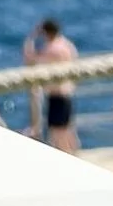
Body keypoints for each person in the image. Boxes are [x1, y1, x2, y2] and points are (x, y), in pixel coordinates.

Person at [31, 17, 80, 152]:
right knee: (68, 130)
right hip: (68, 92)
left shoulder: (50, 49)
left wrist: (32, 38)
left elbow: (31, 59)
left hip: (56, 95)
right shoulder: (67, 45)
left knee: (57, 134)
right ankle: (75, 156)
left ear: (46, 33)